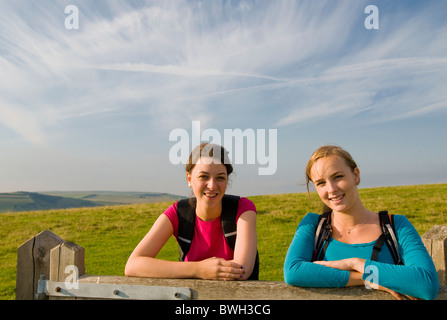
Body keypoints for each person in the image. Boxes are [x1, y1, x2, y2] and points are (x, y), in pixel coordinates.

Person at [283, 145, 439, 300]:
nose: (331, 189)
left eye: (338, 177)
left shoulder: (396, 225)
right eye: (321, 183)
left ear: (356, 175)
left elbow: (426, 284)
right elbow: (293, 271)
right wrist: (367, 279)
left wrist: (355, 263)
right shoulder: (313, 225)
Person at [125, 143, 258, 280]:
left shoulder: (243, 209)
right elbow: (133, 265)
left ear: (227, 180)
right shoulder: (178, 213)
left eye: (220, 177)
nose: (212, 185)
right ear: (189, 179)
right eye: (203, 176)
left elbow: (242, 270)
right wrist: (198, 269)